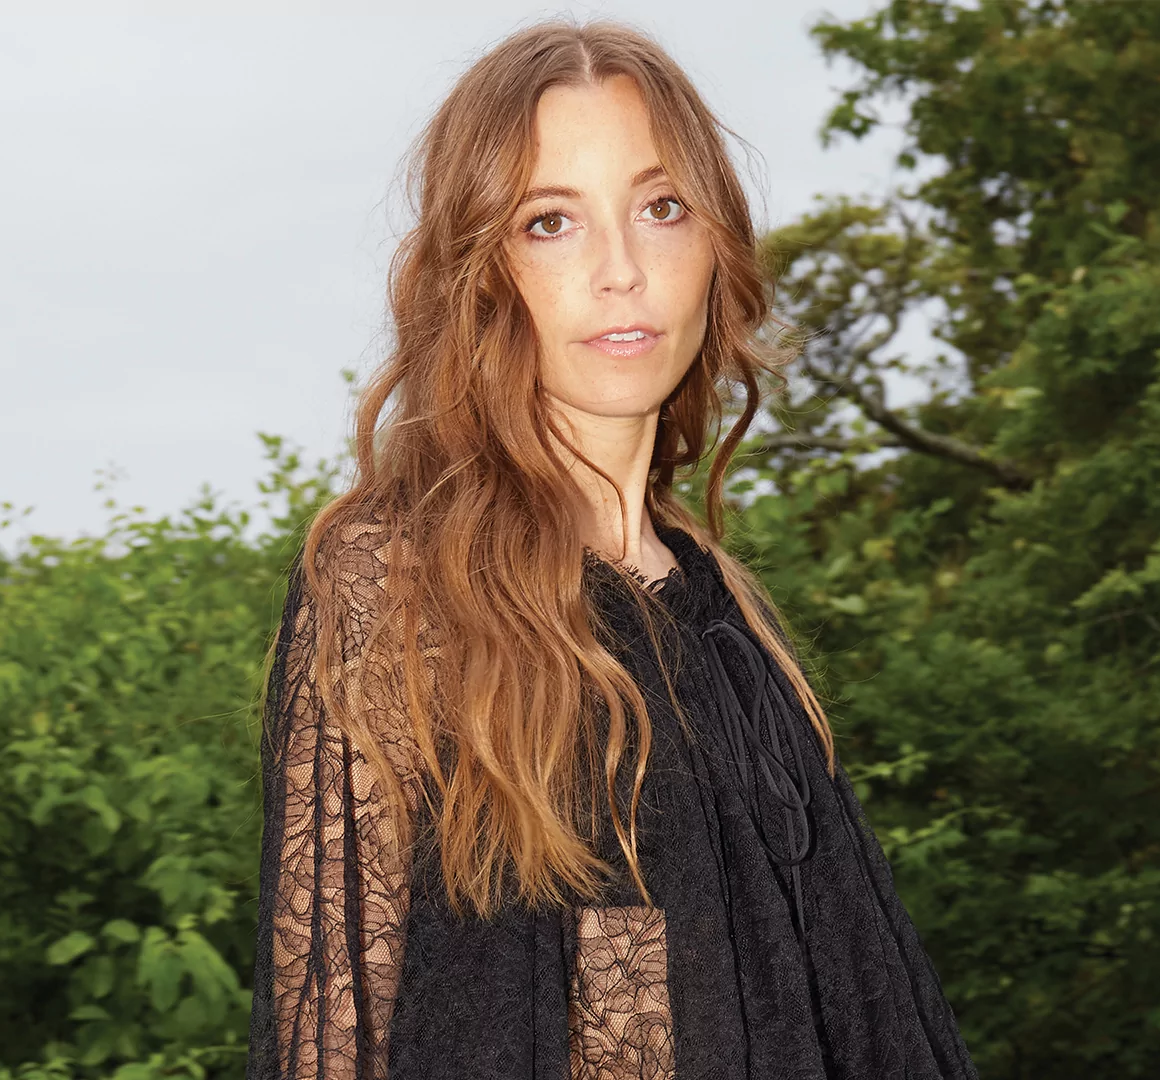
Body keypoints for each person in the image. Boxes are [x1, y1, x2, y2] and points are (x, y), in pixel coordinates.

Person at [245, 18, 980, 1080]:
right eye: (552, 222)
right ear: (482, 269)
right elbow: (332, 1031)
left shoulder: (721, 599)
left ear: (715, 242)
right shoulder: (393, 580)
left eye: (661, 207)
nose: (621, 270)